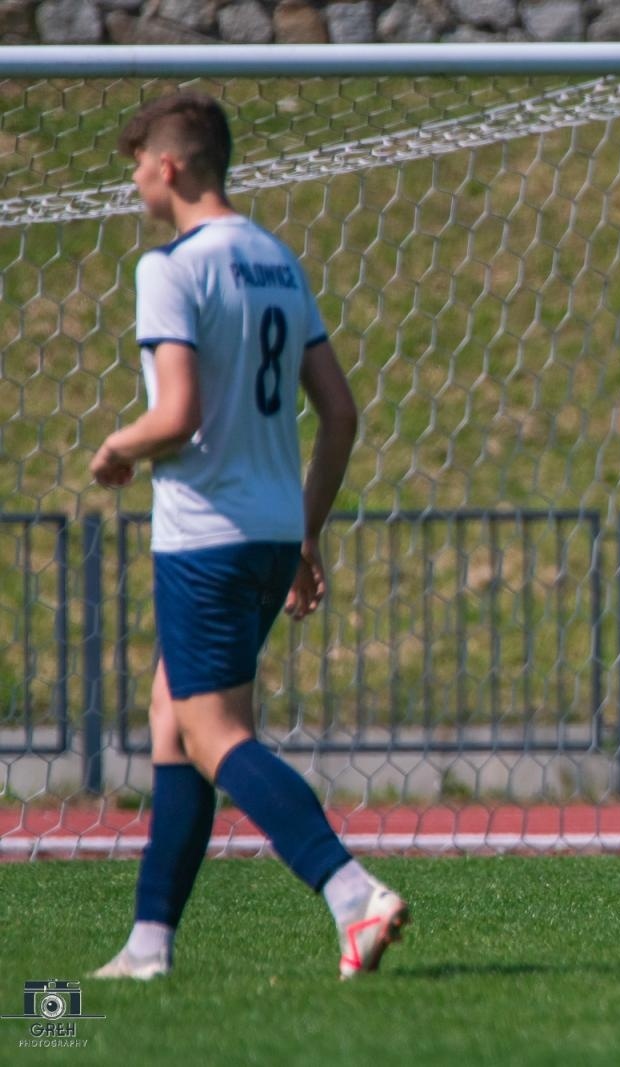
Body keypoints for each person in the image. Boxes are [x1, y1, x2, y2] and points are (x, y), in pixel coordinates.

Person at [88, 93, 406, 981]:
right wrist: (306, 531)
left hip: (205, 533)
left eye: (138, 164)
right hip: (270, 529)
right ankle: (149, 943)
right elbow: (340, 412)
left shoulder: (171, 267)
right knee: (173, 715)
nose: (136, 181)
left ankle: (353, 893)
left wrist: (118, 447)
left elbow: (177, 415)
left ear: (170, 167)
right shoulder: (277, 259)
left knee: (215, 731)